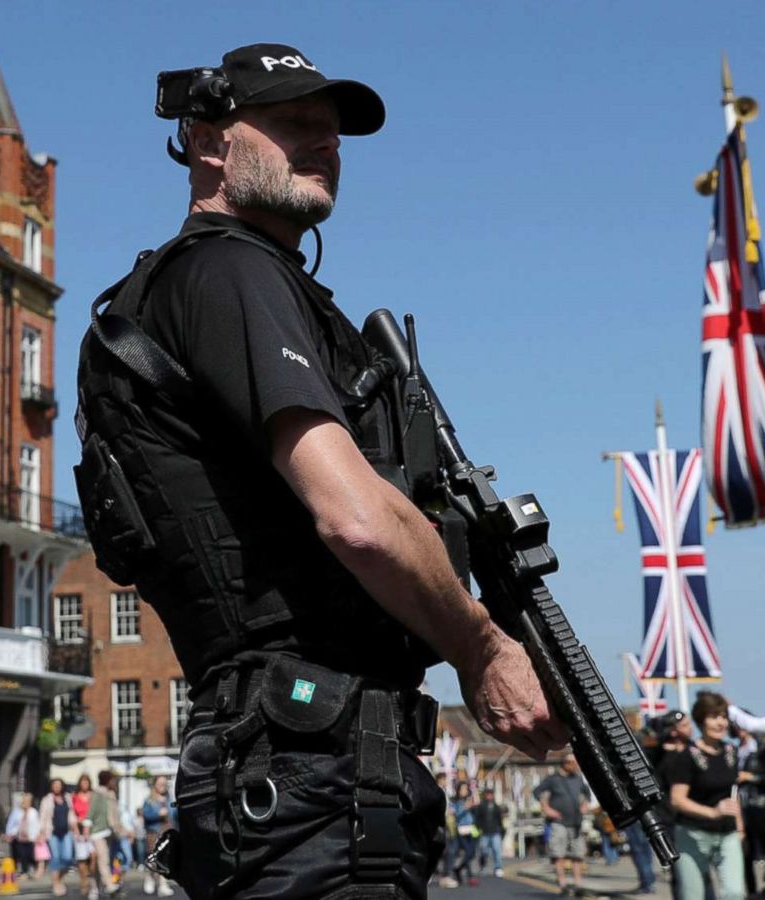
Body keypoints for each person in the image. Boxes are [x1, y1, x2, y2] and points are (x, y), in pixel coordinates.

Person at [73, 41, 566, 898]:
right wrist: (483, 648)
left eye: (332, 131)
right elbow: (355, 516)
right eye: (293, 123)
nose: (324, 142)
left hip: (292, 763)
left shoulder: (207, 286)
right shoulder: (228, 270)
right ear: (207, 140)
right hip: (310, 773)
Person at [664, 692, 744, 900]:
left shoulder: (731, 751)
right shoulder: (687, 756)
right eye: (714, 717)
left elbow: (733, 793)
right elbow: (677, 799)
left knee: (735, 893)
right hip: (692, 833)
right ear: (701, 720)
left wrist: (739, 825)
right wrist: (712, 812)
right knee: (694, 895)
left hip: (727, 834)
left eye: (724, 717)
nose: (720, 723)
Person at [535, 754, 589, 893]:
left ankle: (578, 885)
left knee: (577, 855)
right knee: (559, 854)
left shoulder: (577, 778)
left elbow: (586, 794)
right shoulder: (553, 779)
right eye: (573, 763)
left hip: (576, 822)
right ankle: (563, 883)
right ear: (565, 764)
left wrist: (584, 804)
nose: (576, 766)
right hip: (558, 822)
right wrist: (546, 808)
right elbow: (537, 792)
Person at [82, 772, 119, 898]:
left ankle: (95, 889)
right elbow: (91, 811)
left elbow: (115, 815)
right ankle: (109, 885)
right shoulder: (97, 793)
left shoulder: (111, 794)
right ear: (107, 780)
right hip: (97, 832)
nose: (114, 782)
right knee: (104, 859)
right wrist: (86, 828)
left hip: (108, 832)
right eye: (112, 779)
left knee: (99, 863)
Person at [137, 777, 172, 897]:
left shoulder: (169, 799)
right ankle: (149, 877)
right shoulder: (149, 800)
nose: (162, 785)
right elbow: (145, 815)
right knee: (154, 860)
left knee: (165, 859)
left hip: (167, 832)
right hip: (154, 833)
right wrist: (158, 814)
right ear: (155, 785)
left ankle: (163, 885)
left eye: (164, 783)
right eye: (160, 783)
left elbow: (175, 814)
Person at [38, 779, 73, 897]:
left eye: (59, 785)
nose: (57, 787)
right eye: (54, 785)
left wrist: (75, 828)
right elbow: (42, 817)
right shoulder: (47, 800)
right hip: (52, 833)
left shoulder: (68, 798)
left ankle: (60, 878)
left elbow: (72, 814)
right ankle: (56, 883)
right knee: (56, 858)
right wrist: (41, 833)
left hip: (67, 832)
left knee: (67, 857)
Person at [447, 782, 478, 887]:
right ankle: (470, 876)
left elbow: (475, 812)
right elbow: (455, 815)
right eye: (462, 789)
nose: (464, 791)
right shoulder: (455, 802)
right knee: (468, 852)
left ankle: (458, 869)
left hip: (472, 829)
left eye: (466, 789)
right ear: (458, 790)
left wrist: (473, 806)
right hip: (461, 829)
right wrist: (465, 808)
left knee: (472, 853)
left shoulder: (469, 799)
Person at [5, 793, 39, 883]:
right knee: (22, 855)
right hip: (19, 837)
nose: (25, 802)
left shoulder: (33, 812)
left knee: (31, 855)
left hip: (31, 837)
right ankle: (24, 872)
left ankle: (36, 869)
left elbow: (37, 825)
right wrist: (9, 834)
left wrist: (37, 836)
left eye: (28, 801)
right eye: (24, 801)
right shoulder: (16, 811)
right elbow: (10, 824)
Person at [471, 787, 505, 878]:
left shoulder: (496, 806)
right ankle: (483, 866)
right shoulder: (481, 806)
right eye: (488, 794)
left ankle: (498, 868)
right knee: (484, 851)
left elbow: (499, 820)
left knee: (497, 851)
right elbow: (477, 819)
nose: (490, 796)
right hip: (484, 832)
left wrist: (502, 831)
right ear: (485, 795)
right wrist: (477, 830)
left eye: (491, 794)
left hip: (495, 832)